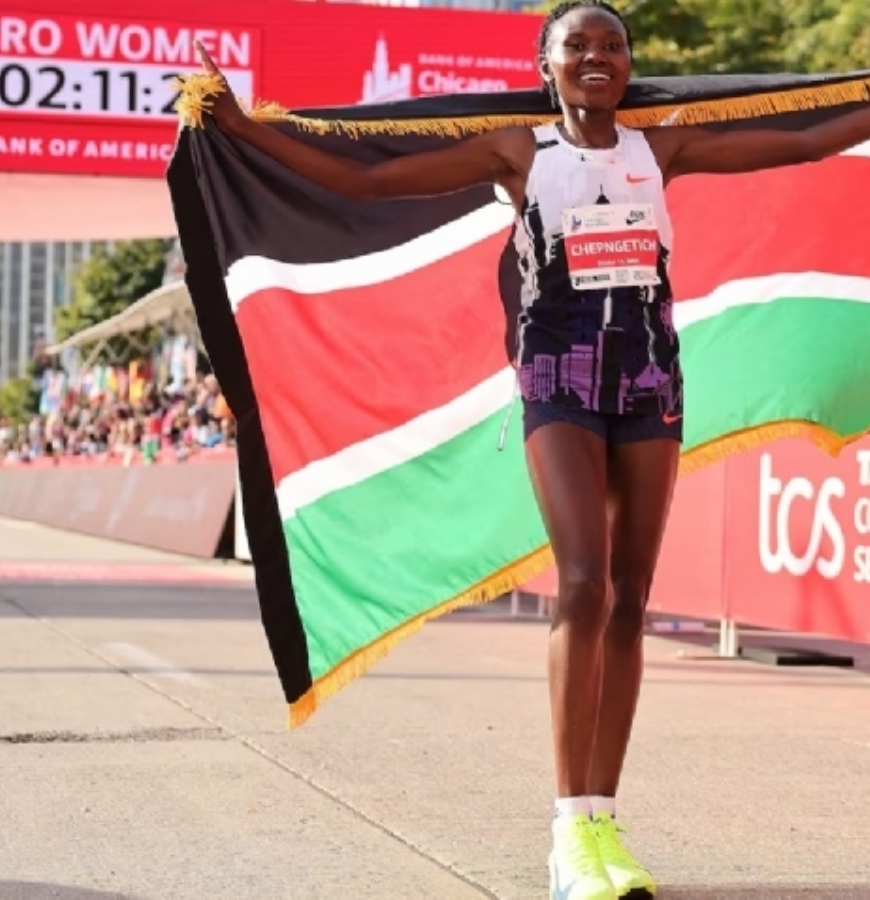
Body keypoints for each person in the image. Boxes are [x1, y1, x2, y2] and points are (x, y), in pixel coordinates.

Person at [195, 3, 870, 897]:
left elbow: (795, 144)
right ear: (547, 65)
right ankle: (565, 834)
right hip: (558, 376)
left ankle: (602, 821)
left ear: (629, 65)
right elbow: (370, 184)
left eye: (612, 46)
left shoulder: (657, 148)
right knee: (583, 582)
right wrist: (247, 130)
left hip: (649, 380)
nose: (598, 57)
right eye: (577, 46)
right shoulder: (521, 152)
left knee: (631, 598)